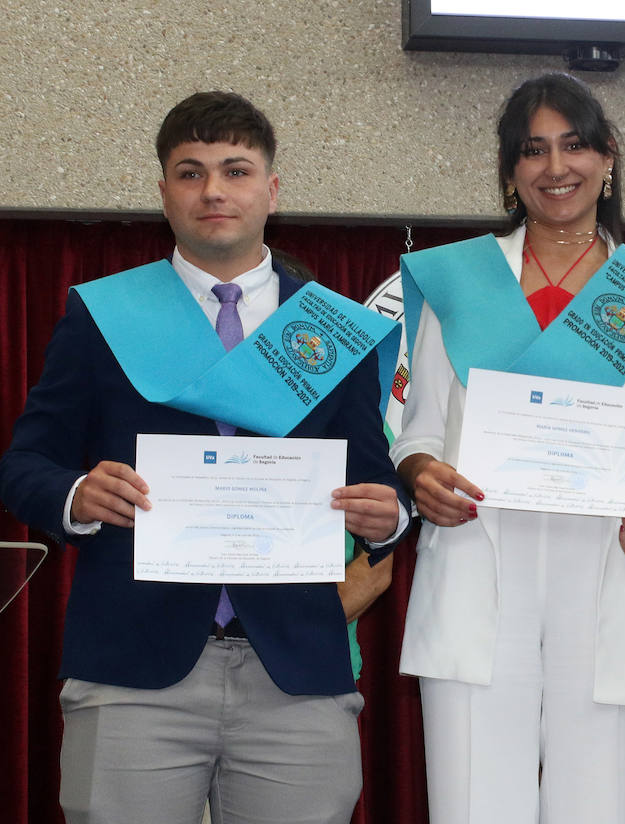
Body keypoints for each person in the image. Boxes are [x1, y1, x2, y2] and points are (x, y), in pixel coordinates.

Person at [0, 91, 409, 824]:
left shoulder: (331, 330)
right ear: (163, 194)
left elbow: (377, 480)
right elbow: (27, 463)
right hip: (131, 670)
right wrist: (75, 496)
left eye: (235, 169)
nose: (213, 190)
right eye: (190, 173)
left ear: (272, 190)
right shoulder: (102, 316)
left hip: (296, 670)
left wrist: (391, 514)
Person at [392, 73, 625, 824]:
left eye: (573, 146)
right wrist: (421, 474)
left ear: (608, 159)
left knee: (599, 808)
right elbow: (420, 433)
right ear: (508, 172)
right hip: (476, 557)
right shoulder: (459, 282)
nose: (555, 167)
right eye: (532, 151)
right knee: (472, 806)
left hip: (609, 566)